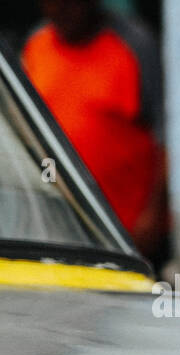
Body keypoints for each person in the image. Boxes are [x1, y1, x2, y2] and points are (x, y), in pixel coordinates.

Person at [23, 0, 168, 264]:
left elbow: (166, 136)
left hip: (128, 236)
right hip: (62, 232)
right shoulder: (37, 44)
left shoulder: (135, 45)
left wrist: (153, 217)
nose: (60, 10)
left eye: (69, 4)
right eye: (50, 4)